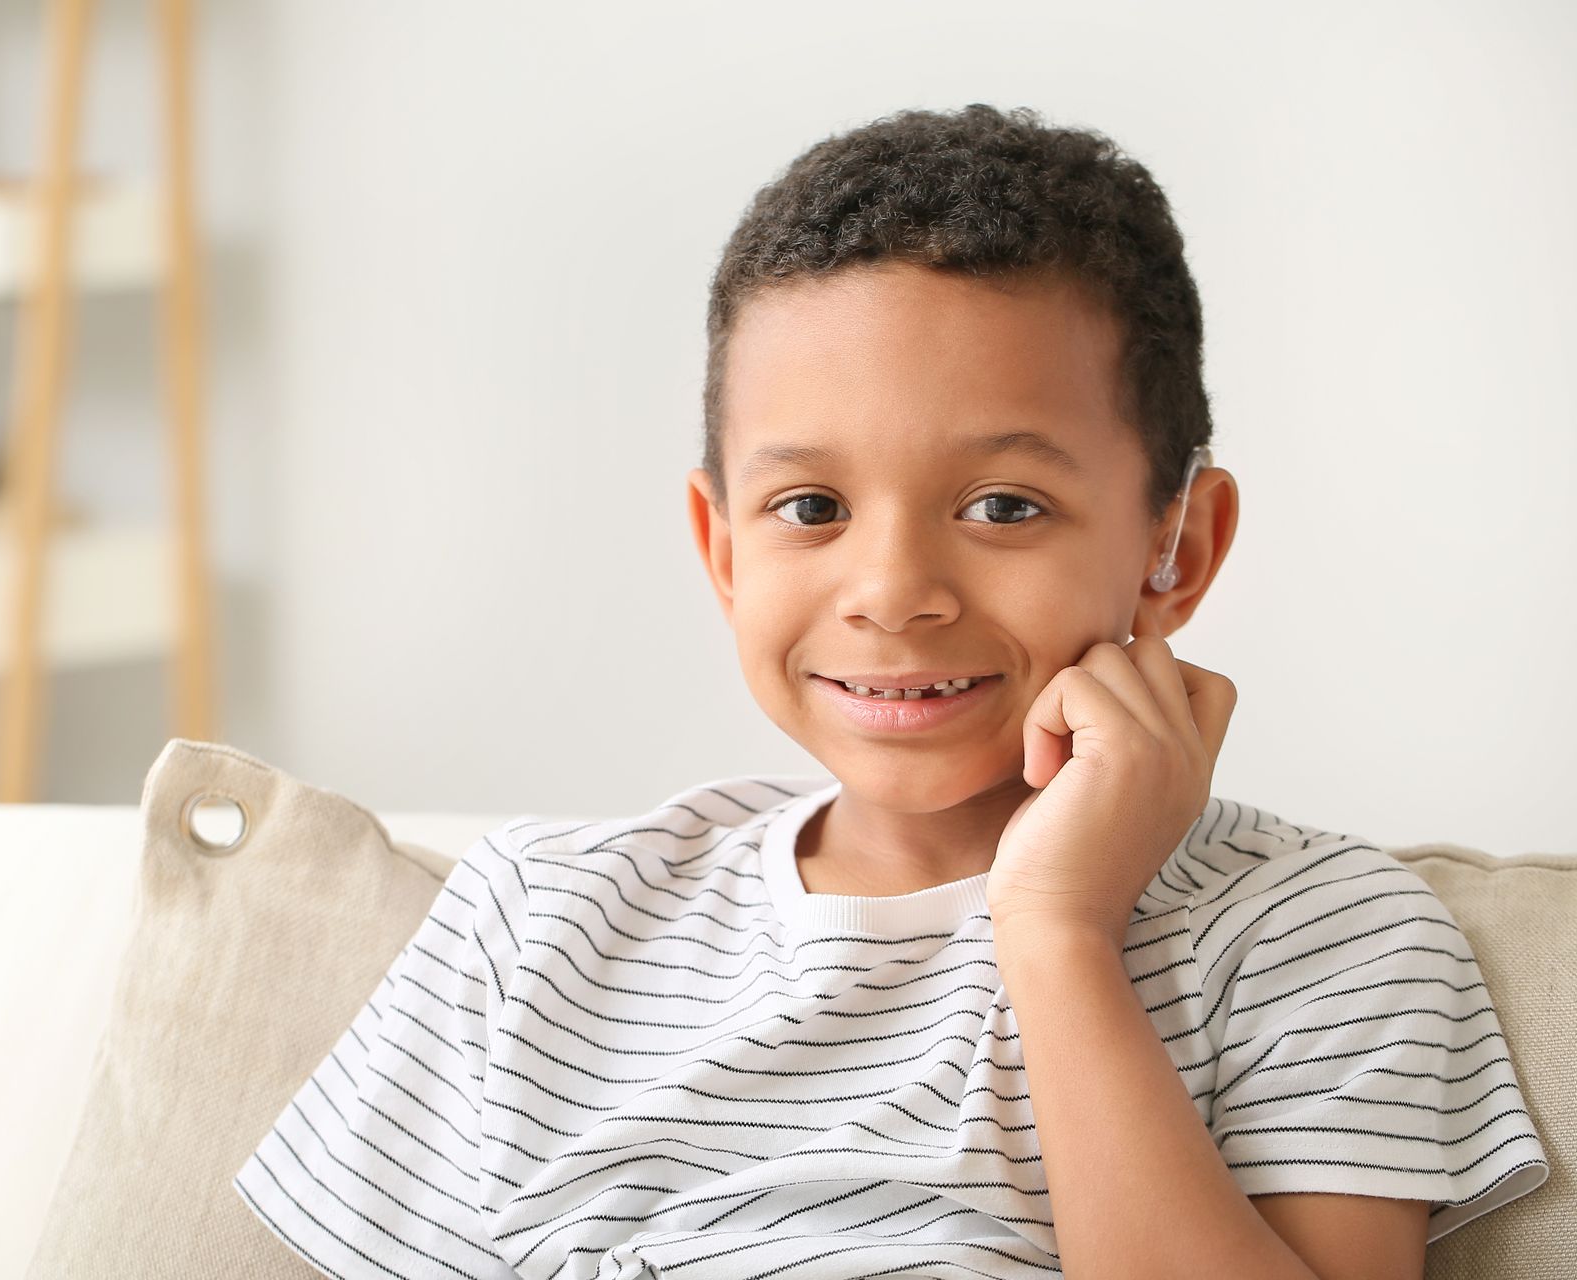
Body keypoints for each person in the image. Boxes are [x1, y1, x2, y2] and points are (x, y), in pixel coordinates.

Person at [233, 104, 1548, 1279]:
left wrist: (1057, 934)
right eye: (811, 506)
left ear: (1177, 547)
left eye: (1002, 506)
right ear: (723, 548)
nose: (892, 590)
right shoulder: (540, 925)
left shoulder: (1318, 937)